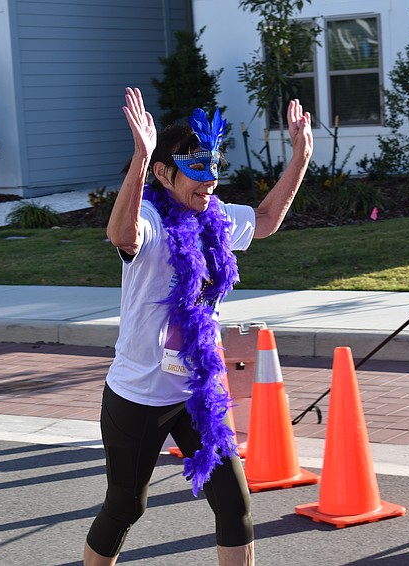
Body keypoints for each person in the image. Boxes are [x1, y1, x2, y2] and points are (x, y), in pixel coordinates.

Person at [82, 87, 313, 566]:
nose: (209, 182)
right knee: (126, 505)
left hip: (196, 391)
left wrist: (301, 156)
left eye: (213, 169)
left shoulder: (217, 217)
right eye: (195, 170)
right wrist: (140, 158)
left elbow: (268, 218)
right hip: (138, 394)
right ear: (164, 174)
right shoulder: (149, 217)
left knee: (235, 503)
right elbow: (120, 236)